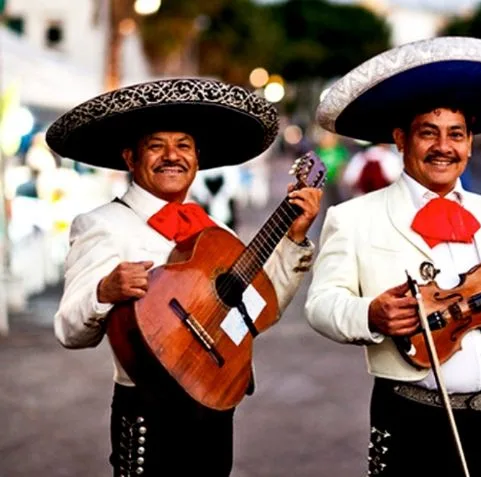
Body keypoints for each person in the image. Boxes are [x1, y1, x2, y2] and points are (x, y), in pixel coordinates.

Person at [46, 78, 322, 477]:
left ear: (197, 159)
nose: (172, 156)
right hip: (147, 409)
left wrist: (294, 240)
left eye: (184, 145)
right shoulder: (103, 226)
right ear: (130, 157)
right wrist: (103, 291)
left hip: (216, 408)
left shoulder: (216, 233)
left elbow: (261, 308)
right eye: (157, 145)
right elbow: (69, 330)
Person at [305, 36, 481, 477]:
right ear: (401, 139)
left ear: (470, 144)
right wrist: (371, 315)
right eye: (428, 133)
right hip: (410, 417)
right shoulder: (354, 216)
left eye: (456, 134)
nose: (444, 147)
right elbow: (321, 305)